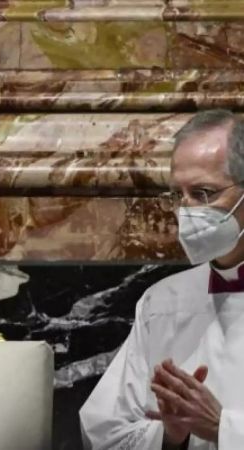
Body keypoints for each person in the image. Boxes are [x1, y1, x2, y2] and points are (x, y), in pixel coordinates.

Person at [80, 109, 244, 449]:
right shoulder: (163, 302)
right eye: (178, 195)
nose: (186, 211)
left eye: (203, 193)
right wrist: (170, 435)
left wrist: (222, 428)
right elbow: (103, 432)